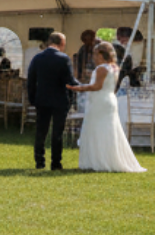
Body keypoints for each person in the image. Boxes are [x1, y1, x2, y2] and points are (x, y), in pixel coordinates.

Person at [69, 41, 147, 173]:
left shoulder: (102, 68)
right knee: (108, 130)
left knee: (97, 129)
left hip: (100, 101)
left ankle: (99, 160)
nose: (93, 57)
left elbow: (96, 86)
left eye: (95, 54)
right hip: (109, 99)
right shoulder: (115, 67)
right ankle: (108, 158)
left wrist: (77, 88)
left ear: (101, 54)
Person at [26, 31, 76, 171]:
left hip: (42, 100)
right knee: (57, 132)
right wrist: (83, 86)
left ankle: (39, 161)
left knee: (41, 132)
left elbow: (31, 81)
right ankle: (55, 163)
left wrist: (33, 99)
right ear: (62, 43)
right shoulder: (63, 58)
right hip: (60, 100)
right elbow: (70, 80)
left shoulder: (37, 58)